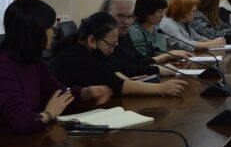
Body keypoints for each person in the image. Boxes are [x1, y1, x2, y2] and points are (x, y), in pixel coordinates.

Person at [0, 0, 111, 134]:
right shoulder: (4, 66)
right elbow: (22, 121)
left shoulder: (32, 60)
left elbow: (58, 91)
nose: (54, 32)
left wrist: (86, 92)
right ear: (34, 31)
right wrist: (49, 113)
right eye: (50, 27)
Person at [49, 12, 187, 97]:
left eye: (115, 44)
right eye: (110, 44)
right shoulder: (77, 57)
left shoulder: (87, 46)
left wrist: (128, 79)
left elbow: (119, 67)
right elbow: (119, 85)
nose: (113, 49)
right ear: (92, 40)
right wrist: (161, 88)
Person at [99, 0, 177, 78]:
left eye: (129, 16)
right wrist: (157, 69)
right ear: (104, 14)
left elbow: (138, 60)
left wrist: (160, 63)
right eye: (120, 16)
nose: (126, 22)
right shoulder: (101, 39)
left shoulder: (123, 34)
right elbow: (123, 68)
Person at [128, 0, 193, 61]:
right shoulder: (135, 31)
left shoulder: (157, 29)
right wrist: (168, 55)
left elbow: (161, 54)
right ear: (146, 11)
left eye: (164, 11)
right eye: (159, 12)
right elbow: (142, 62)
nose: (163, 16)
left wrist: (174, 55)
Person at [160, 0, 226, 52]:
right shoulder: (169, 25)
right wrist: (210, 44)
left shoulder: (183, 23)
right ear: (183, 11)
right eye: (193, 11)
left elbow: (197, 37)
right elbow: (184, 44)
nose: (195, 14)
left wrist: (214, 42)